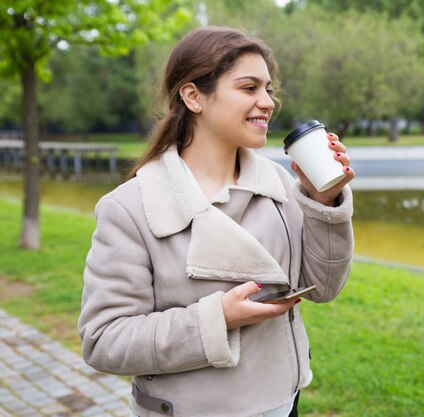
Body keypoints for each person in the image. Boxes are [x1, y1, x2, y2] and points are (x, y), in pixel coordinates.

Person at [77, 26, 355, 417]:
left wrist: (323, 202)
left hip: (283, 402)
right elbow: (104, 340)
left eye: (269, 89)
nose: (268, 102)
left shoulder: (277, 184)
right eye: (249, 88)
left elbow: (323, 288)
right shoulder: (129, 208)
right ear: (193, 96)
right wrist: (217, 319)